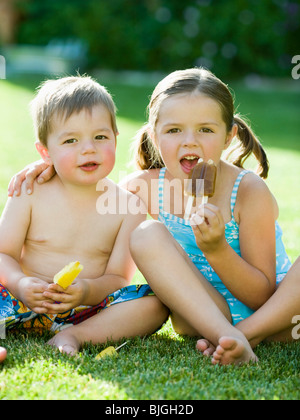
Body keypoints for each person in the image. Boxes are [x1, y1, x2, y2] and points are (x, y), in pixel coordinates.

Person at [8, 69, 299, 365]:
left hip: (278, 319)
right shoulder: (143, 187)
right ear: (154, 136)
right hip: (200, 318)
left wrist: (217, 249)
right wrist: (48, 166)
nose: (189, 142)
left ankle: (241, 336)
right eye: (174, 130)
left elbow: (261, 297)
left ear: (229, 136)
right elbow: (87, 183)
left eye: (205, 130)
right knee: (147, 233)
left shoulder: (249, 191)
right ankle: (230, 336)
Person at [0, 75, 168, 356]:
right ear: (45, 152)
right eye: (70, 140)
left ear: (115, 138)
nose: (88, 148)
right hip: (19, 301)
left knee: (155, 302)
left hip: (86, 311)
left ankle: (73, 336)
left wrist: (86, 291)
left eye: (100, 137)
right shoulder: (29, 191)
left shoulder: (129, 207)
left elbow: (117, 278)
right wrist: (21, 284)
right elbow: (3, 254)